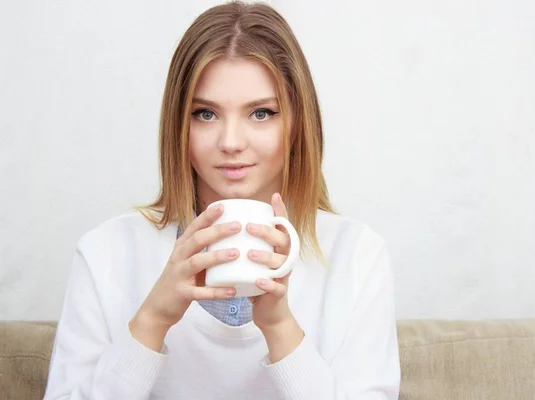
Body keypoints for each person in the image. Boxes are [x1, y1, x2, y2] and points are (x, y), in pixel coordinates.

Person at [44, 1, 400, 399]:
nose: (231, 143)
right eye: (206, 114)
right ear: (179, 124)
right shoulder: (105, 254)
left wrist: (280, 327)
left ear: (298, 122)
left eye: (261, 113)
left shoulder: (357, 256)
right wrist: (152, 320)